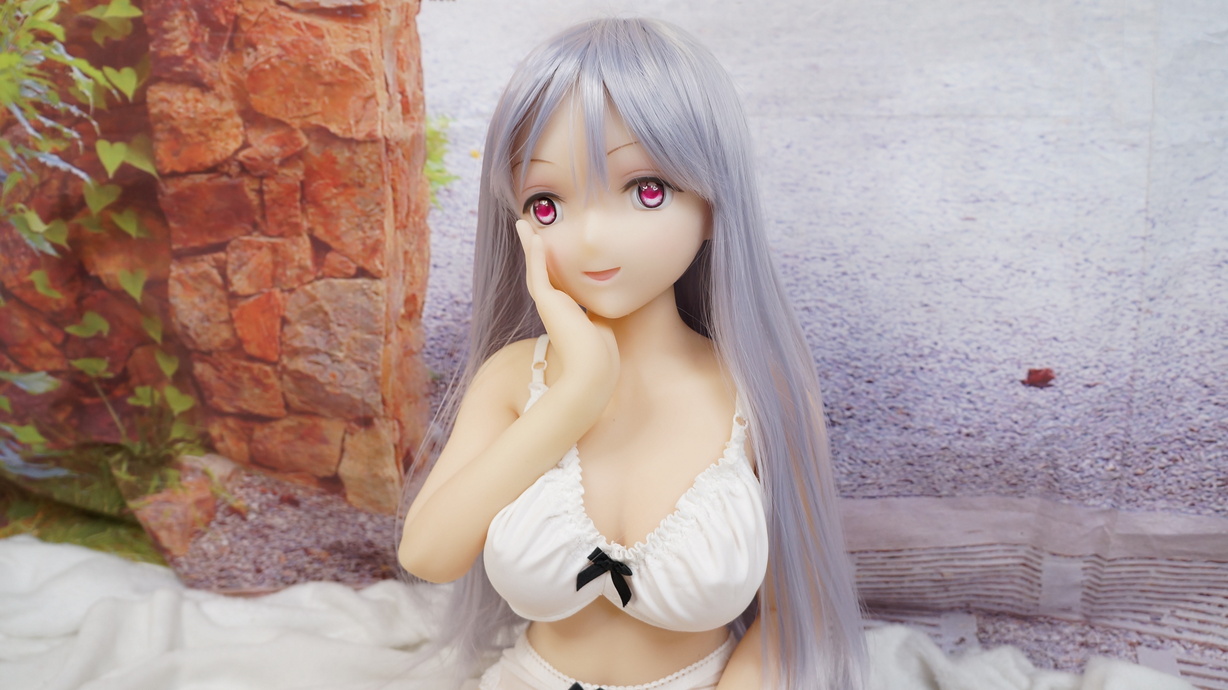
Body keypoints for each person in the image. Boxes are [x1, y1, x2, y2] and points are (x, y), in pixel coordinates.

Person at [398, 17, 866, 690]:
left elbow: (799, 611)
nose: (592, 239)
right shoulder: (514, 380)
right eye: (547, 204)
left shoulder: (764, 391)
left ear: (714, 201)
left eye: (646, 190)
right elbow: (428, 555)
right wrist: (576, 393)